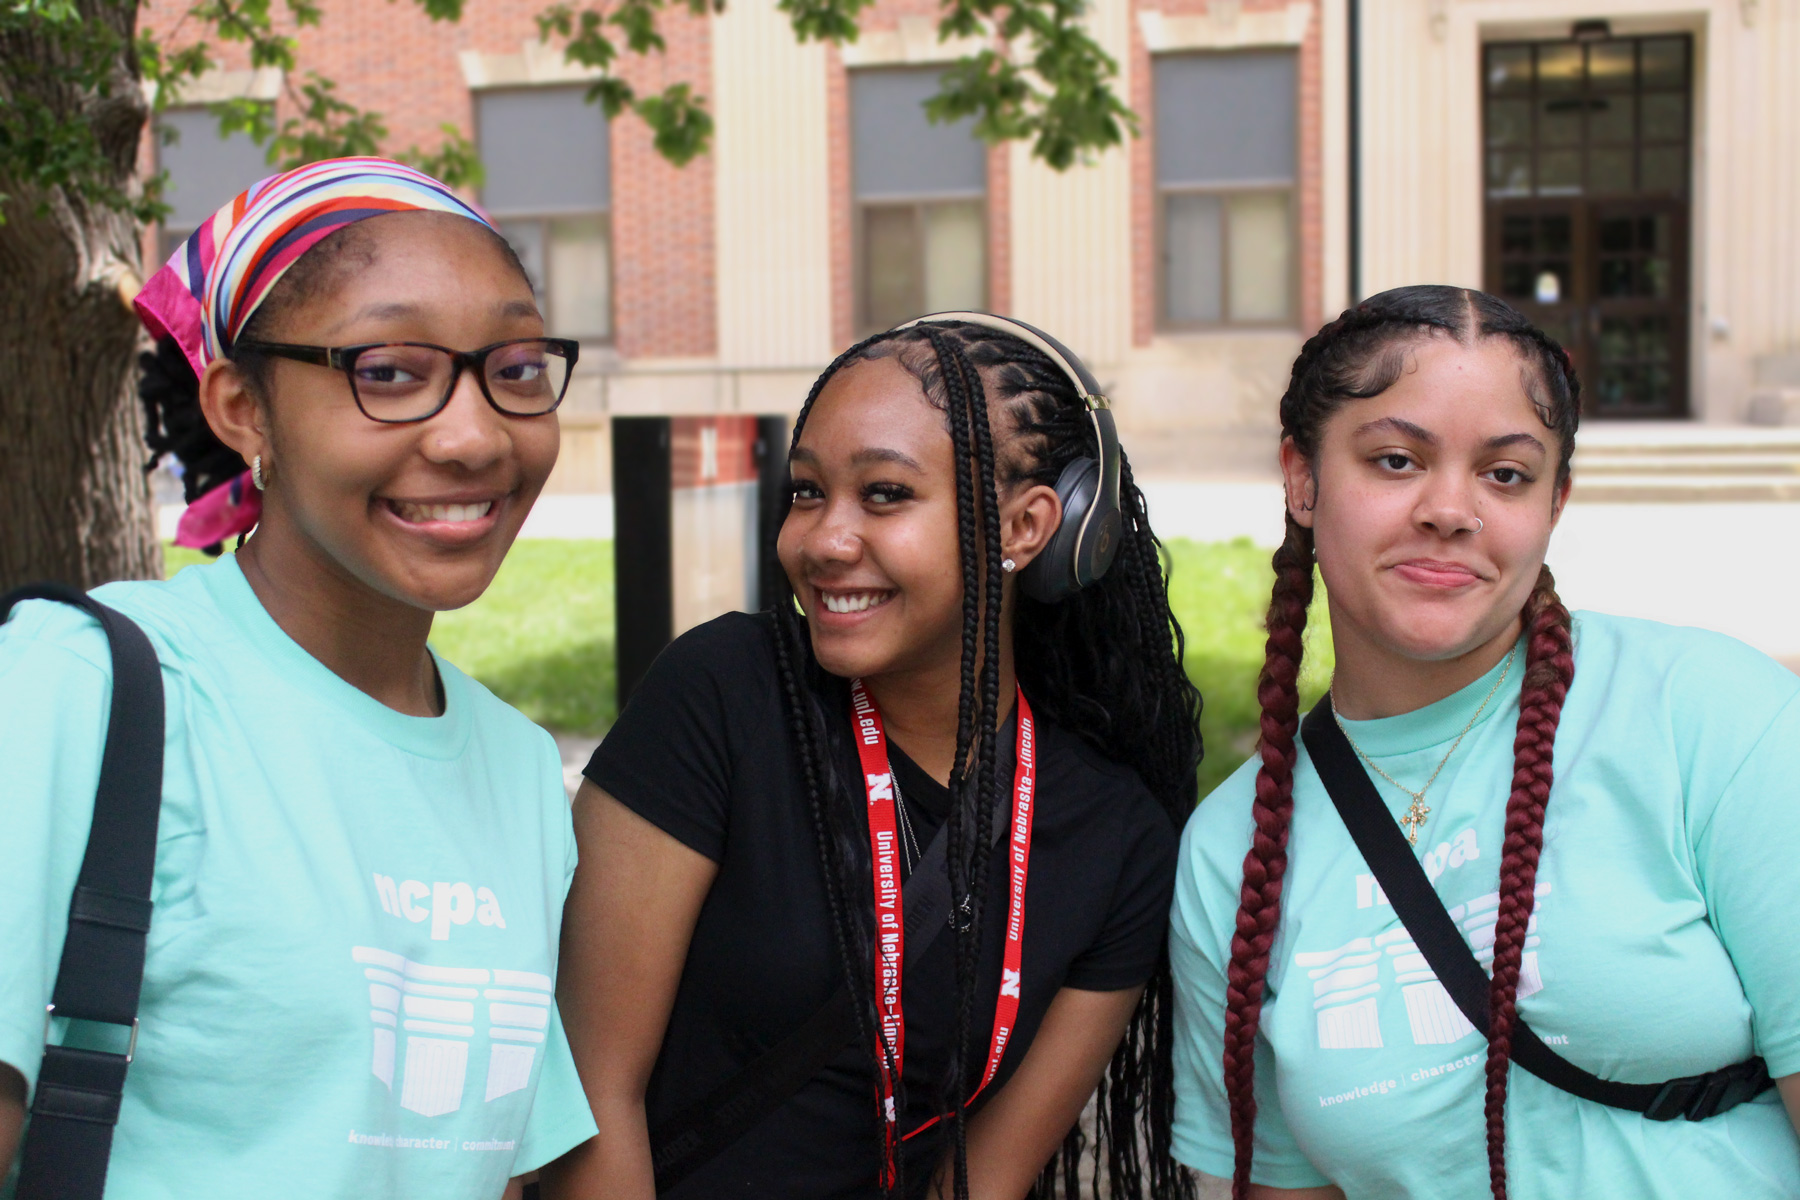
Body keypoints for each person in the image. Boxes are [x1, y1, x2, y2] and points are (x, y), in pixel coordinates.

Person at [0, 158, 596, 1198]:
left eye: (514, 367)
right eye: (391, 372)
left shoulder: (515, 766)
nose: (473, 435)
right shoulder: (83, 687)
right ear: (243, 408)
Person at [541, 316, 1202, 1199]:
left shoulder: (1117, 841)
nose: (821, 540)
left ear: (1031, 525)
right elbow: (590, 1094)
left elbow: (984, 1179)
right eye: (807, 492)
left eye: (885, 494)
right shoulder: (723, 694)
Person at [1167, 284, 1800, 1200]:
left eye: (1506, 474)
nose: (1450, 509)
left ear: (1555, 504)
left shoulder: (1707, 714)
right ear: (1301, 478)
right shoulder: (1232, 855)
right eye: (1395, 460)